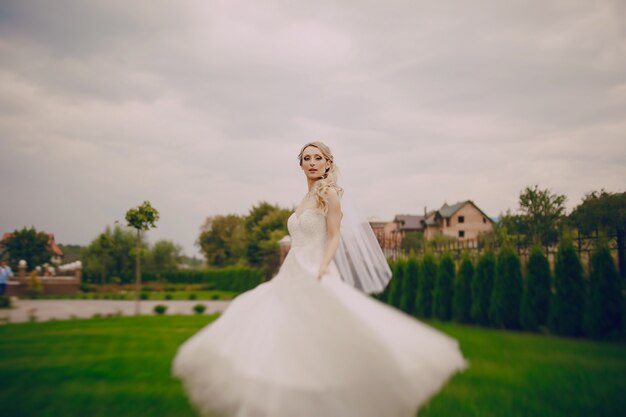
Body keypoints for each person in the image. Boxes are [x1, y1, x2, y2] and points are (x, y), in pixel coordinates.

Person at [172, 142, 467, 417]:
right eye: (307, 158)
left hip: (317, 270)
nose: (312, 163)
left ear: (328, 164)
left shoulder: (330, 195)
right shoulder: (304, 198)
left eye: (318, 158)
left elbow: (335, 235)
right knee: (283, 339)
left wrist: (323, 267)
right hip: (290, 274)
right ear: (300, 165)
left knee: (326, 341)